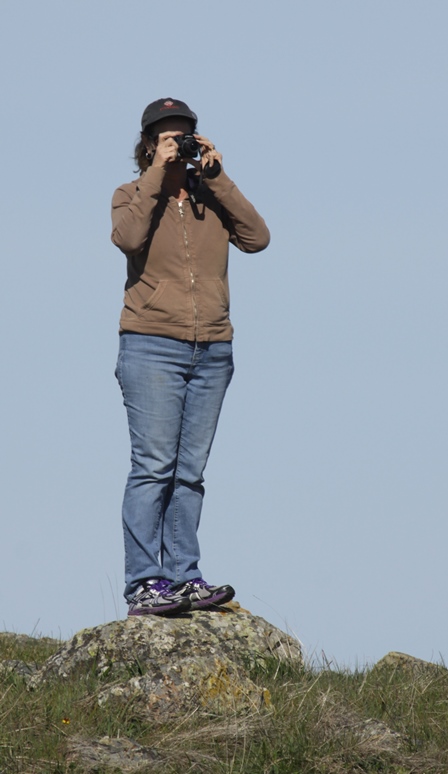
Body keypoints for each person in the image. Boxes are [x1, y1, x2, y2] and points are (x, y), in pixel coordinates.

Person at [111, 98, 270, 617]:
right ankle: (144, 583)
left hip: (213, 349)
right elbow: (129, 237)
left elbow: (258, 238)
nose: (177, 145)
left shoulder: (211, 200)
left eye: (185, 137)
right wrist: (159, 172)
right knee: (153, 467)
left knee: (189, 472)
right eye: (166, 138)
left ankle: (185, 576)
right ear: (149, 144)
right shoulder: (131, 196)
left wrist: (219, 178)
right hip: (151, 344)